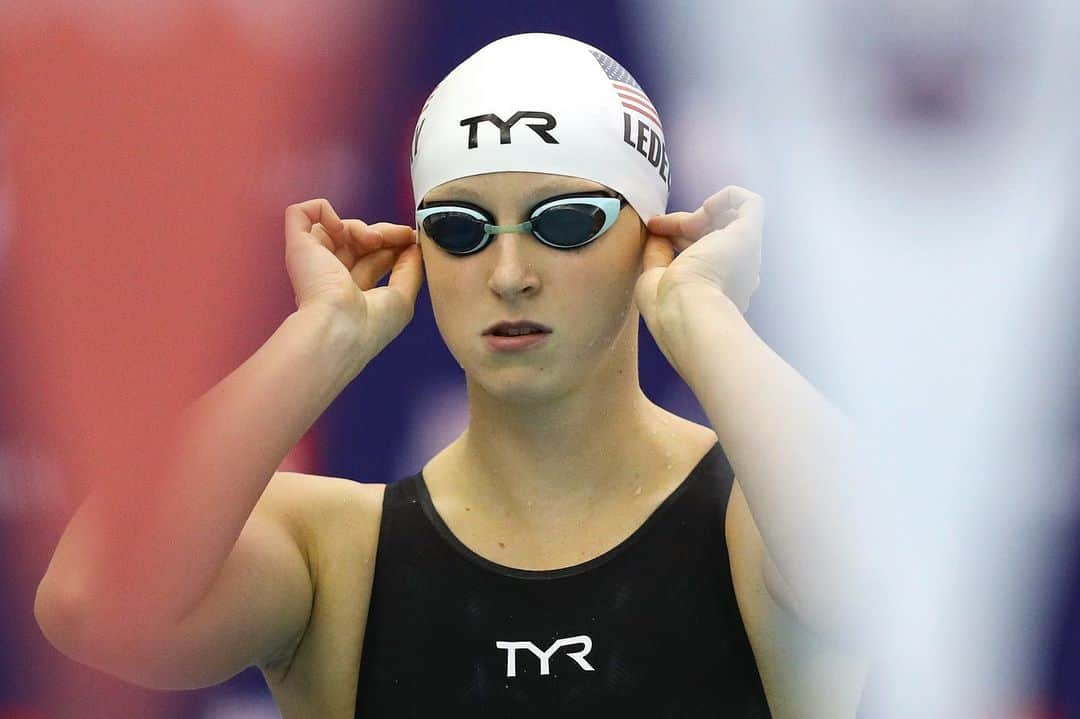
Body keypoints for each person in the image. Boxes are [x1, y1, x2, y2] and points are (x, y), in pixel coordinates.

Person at [34, 32, 868, 717]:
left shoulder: (754, 525)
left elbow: (884, 584)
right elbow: (90, 602)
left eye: (565, 221)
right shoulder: (338, 556)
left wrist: (705, 316)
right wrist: (321, 333)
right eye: (462, 228)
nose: (509, 272)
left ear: (651, 238)